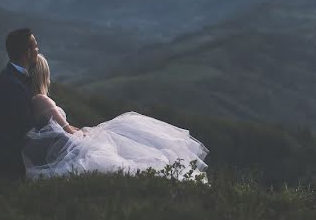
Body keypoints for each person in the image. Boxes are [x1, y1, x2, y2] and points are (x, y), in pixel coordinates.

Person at [23, 54, 209, 182]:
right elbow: (67, 130)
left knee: (121, 134)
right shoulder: (41, 99)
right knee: (122, 134)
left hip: (63, 144)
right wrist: (88, 135)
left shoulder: (34, 100)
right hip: (69, 145)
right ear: (42, 75)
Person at [0, 28, 40, 179]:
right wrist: (52, 120)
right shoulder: (12, 85)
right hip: (6, 158)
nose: (38, 50)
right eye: (36, 46)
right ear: (27, 53)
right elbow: (26, 127)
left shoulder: (12, 77)